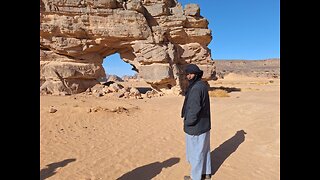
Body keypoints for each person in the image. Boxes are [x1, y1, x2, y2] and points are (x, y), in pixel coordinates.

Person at [181, 64, 212, 180]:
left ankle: (195, 177)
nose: (188, 76)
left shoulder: (195, 88)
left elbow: (194, 109)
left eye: (190, 74)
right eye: (187, 74)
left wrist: (188, 123)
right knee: (204, 150)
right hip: (204, 125)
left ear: (196, 74)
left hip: (196, 127)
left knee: (195, 153)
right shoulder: (202, 85)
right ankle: (206, 173)